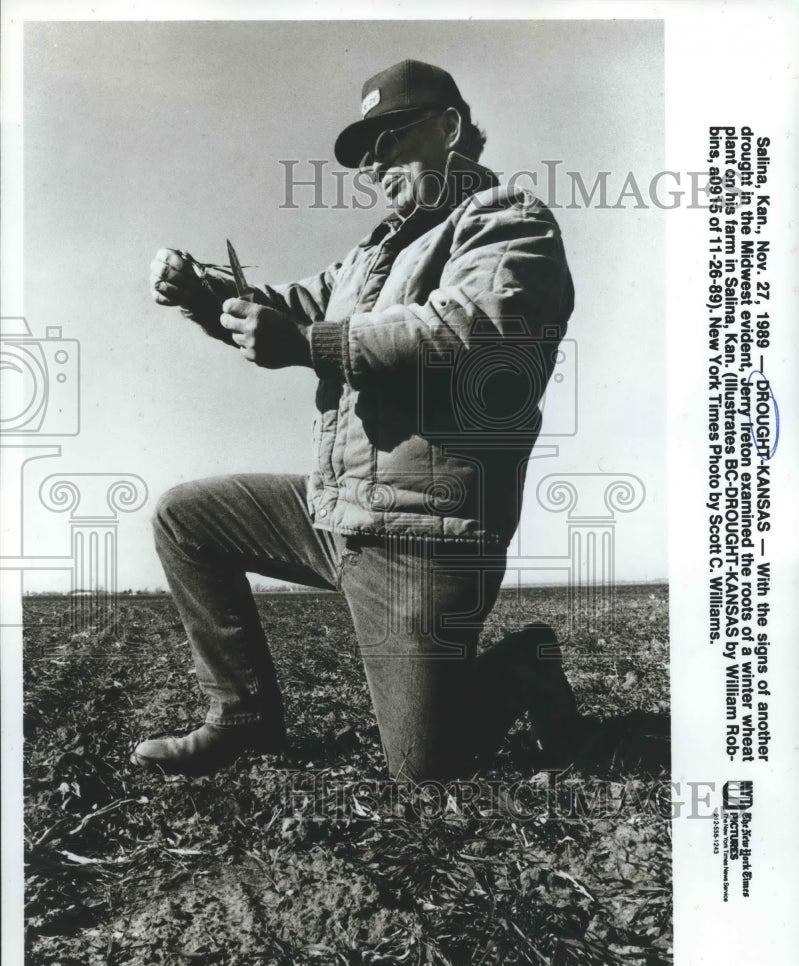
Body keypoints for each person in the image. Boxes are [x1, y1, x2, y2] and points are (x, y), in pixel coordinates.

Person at [136, 59, 583, 783]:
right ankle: (241, 718)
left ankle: (522, 666)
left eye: (388, 138)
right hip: (341, 515)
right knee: (188, 517)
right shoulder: (374, 254)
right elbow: (292, 305)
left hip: (425, 538)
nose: (372, 164)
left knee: (423, 765)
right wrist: (200, 290)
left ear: (450, 127)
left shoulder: (507, 220)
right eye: (363, 153)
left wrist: (311, 345)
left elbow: (472, 333)